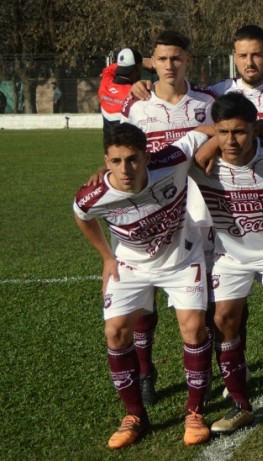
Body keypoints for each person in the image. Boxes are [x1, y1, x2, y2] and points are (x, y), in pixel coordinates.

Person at [72, 123, 213, 449]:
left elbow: (208, 130)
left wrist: (225, 137)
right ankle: (134, 415)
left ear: (147, 157)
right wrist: (107, 257)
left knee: (194, 329)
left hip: (182, 260)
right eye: (116, 161)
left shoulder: (173, 159)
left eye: (133, 159)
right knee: (115, 332)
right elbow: (81, 215)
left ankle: (195, 412)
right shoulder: (94, 195)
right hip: (130, 265)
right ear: (106, 162)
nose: (125, 169)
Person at [182, 93, 263, 435]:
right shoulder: (198, 162)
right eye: (223, 132)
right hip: (231, 255)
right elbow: (150, 166)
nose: (231, 141)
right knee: (222, 320)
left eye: (239, 132)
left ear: (253, 129)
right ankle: (240, 404)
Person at [120, 29, 216, 407]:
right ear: (152, 62)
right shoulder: (138, 106)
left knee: (200, 300)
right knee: (145, 301)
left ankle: (205, 369)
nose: (170, 65)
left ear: (188, 59)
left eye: (176, 58)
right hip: (151, 211)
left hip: (199, 210)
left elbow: (223, 135)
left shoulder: (206, 101)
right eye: (162, 59)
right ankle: (146, 371)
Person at [99, 48, 149, 133]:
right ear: (137, 67)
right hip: (130, 140)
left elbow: (108, 69)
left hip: (108, 141)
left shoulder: (105, 83)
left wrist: (125, 63)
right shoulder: (136, 94)